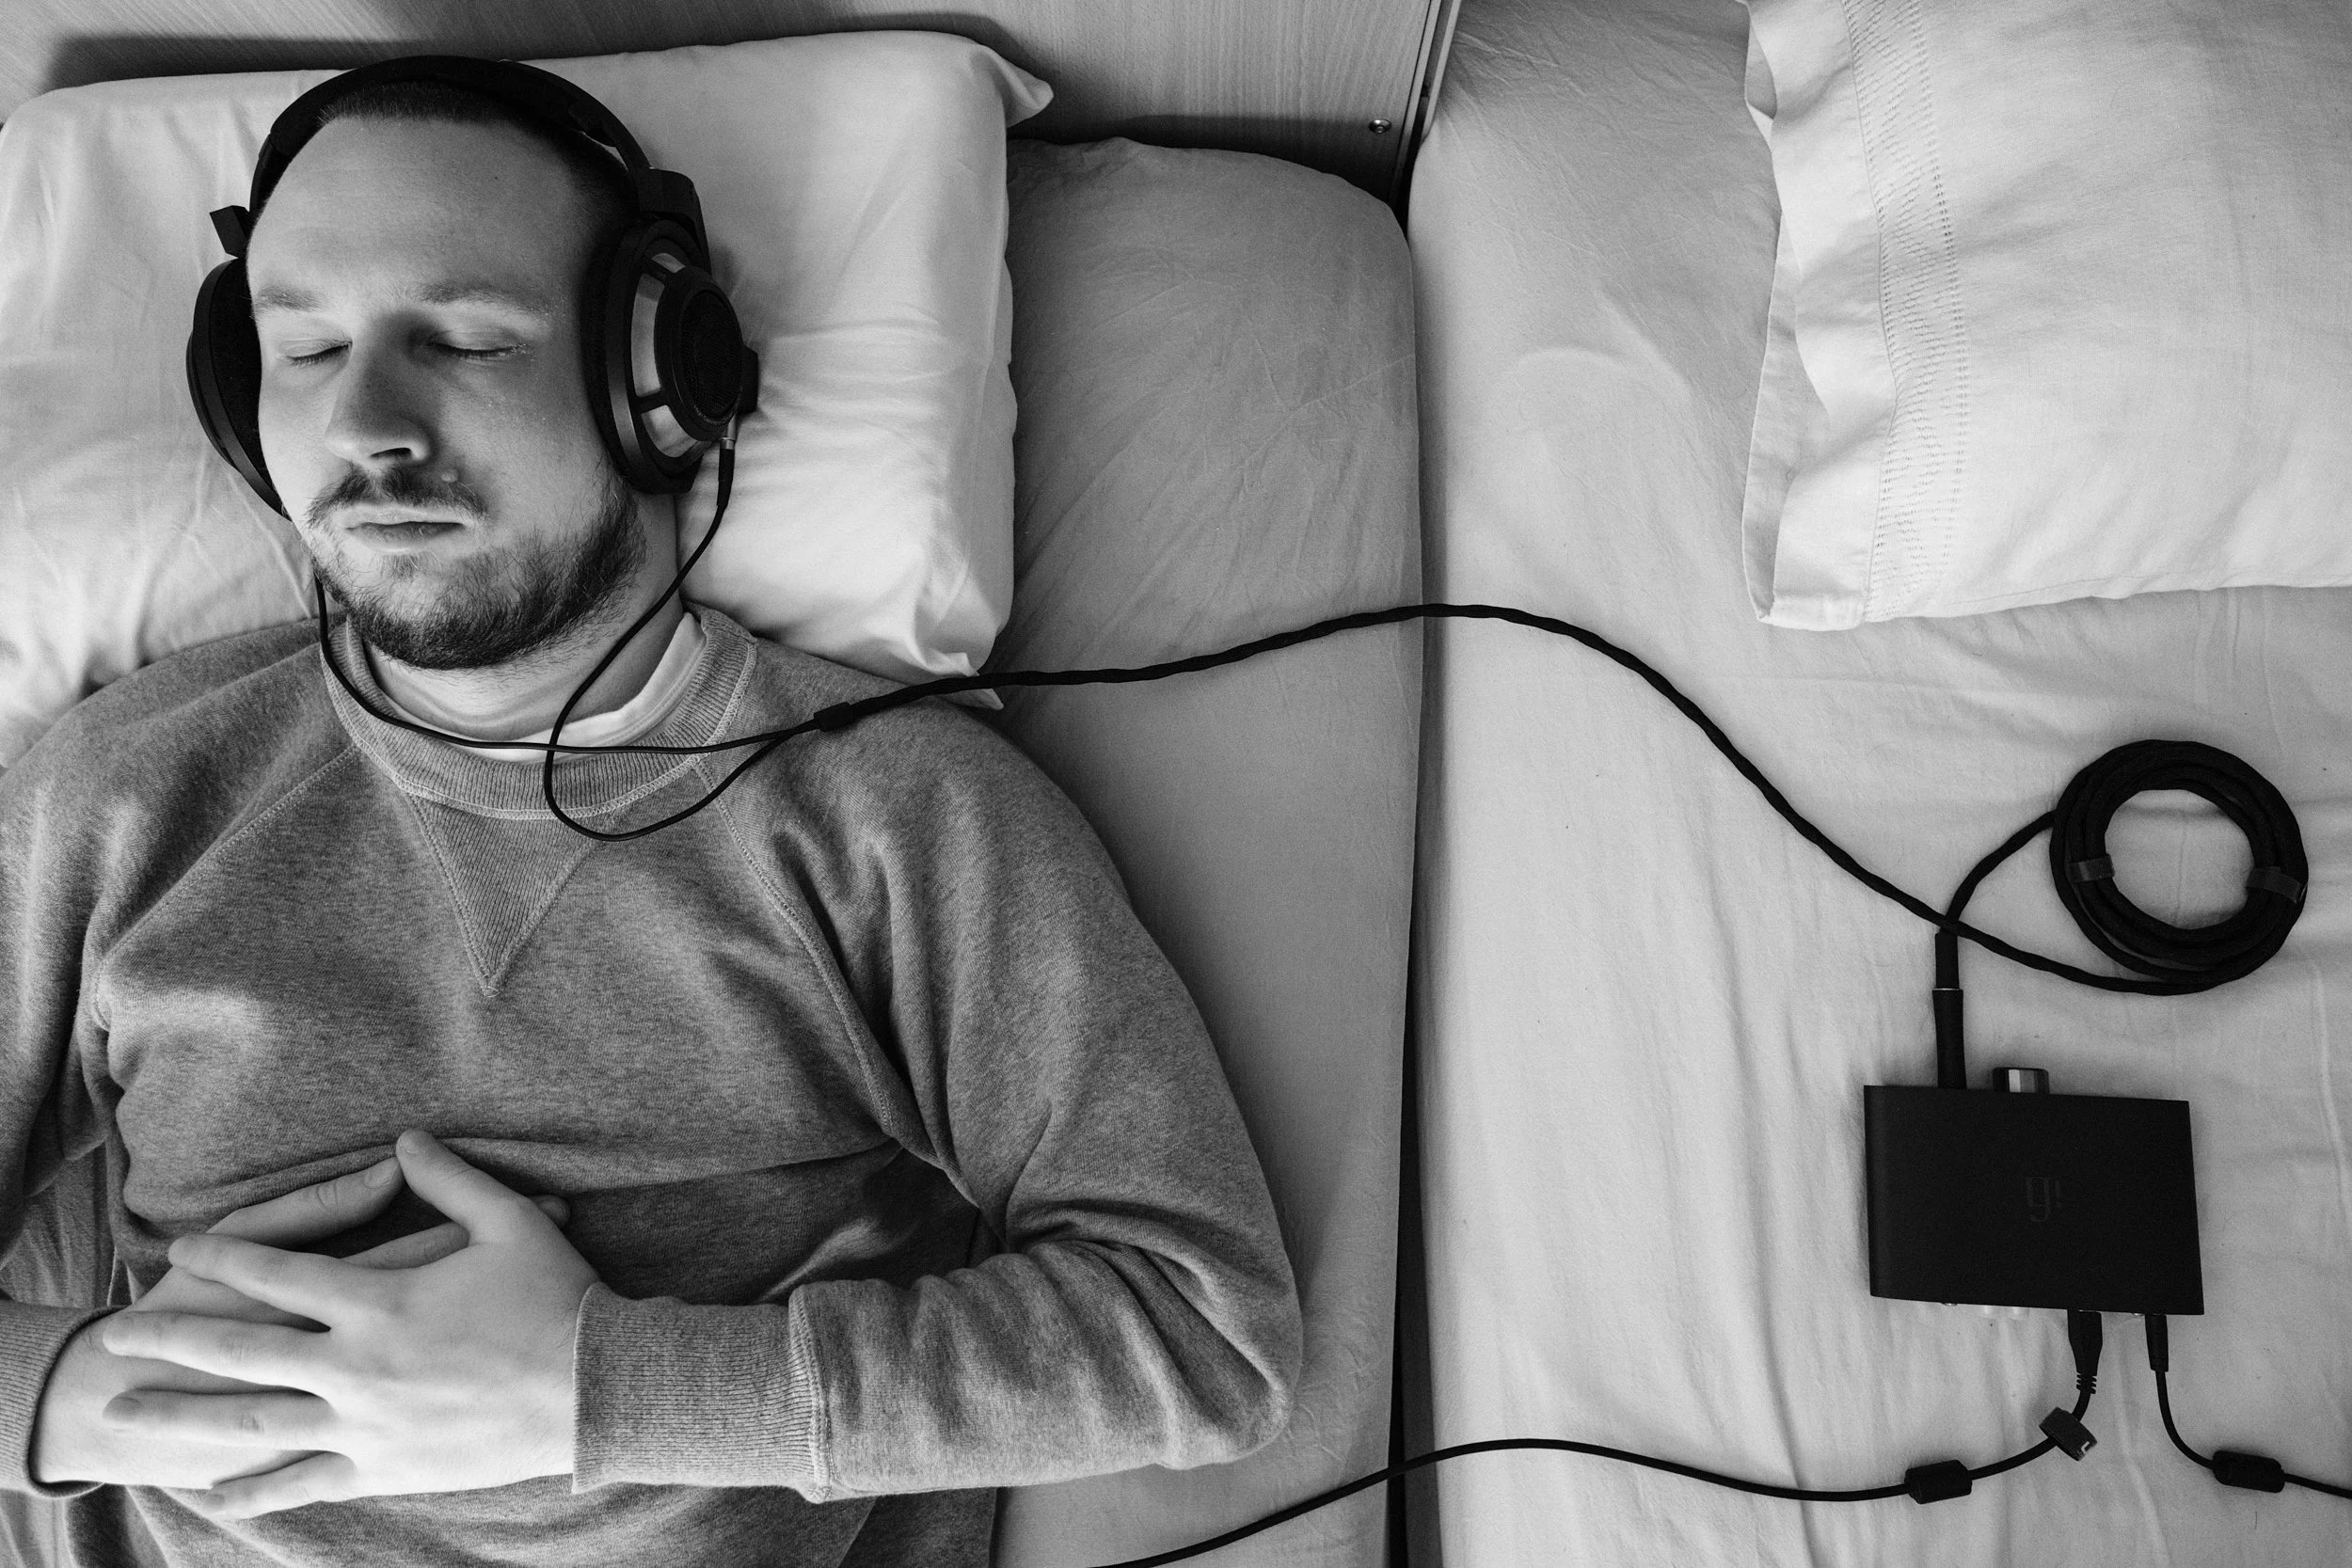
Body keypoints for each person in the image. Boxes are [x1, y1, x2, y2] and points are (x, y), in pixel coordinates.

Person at [0, 65, 1301, 1568]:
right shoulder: (125, 796)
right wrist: (72, 1399)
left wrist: (589, 1393)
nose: (366, 425)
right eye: (305, 349)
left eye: (466, 339)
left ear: (658, 382)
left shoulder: (891, 814)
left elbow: (1203, 1331)